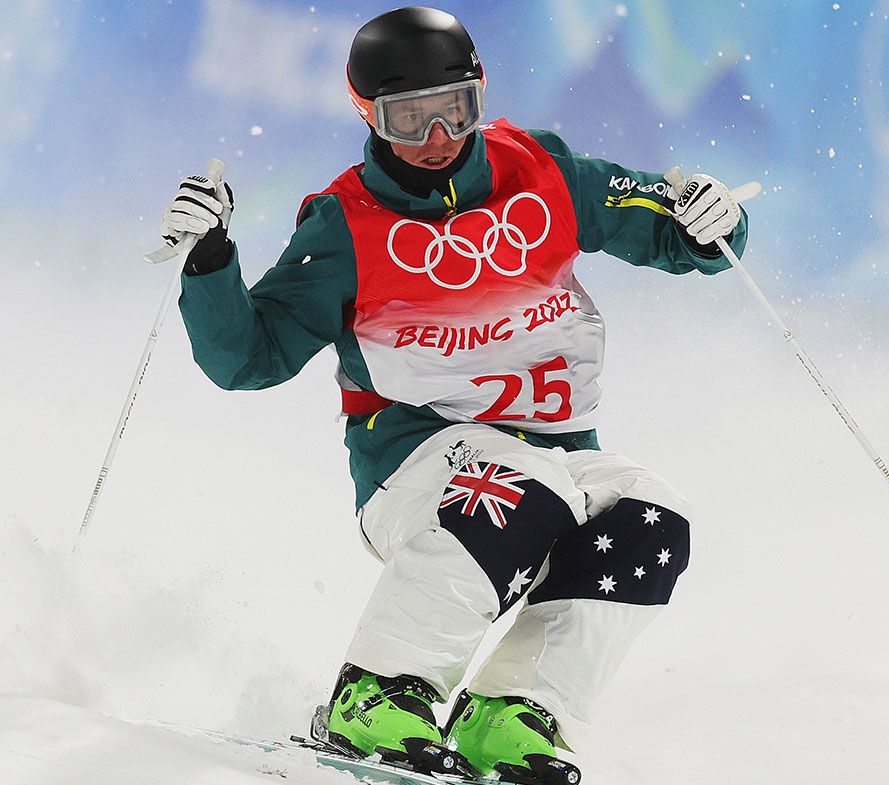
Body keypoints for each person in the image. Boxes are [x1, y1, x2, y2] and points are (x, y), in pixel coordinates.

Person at [159, 6, 747, 784]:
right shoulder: (346, 225)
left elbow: (669, 226)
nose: (438, 139)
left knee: (654, 516)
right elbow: (251, 357)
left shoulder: (540, 171)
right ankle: (376, 691)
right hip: (414, 464)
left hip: (560, 455)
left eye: (455, 111)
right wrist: (209, 259)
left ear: (480, 93)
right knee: (519, 483)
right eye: (409, 120)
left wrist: (716, 222)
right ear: (367, 115)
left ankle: (516, 710)